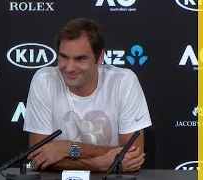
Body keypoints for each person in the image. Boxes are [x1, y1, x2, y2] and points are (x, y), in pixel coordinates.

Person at [23, 18, 152, 172]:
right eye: (64, 57)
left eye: (80, 59)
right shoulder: (44, 80)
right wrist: (99, 164)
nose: (69, 68)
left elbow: (132, 154)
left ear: (100, 57)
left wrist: (68, 148)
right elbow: (38, 158)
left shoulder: (124, 81)